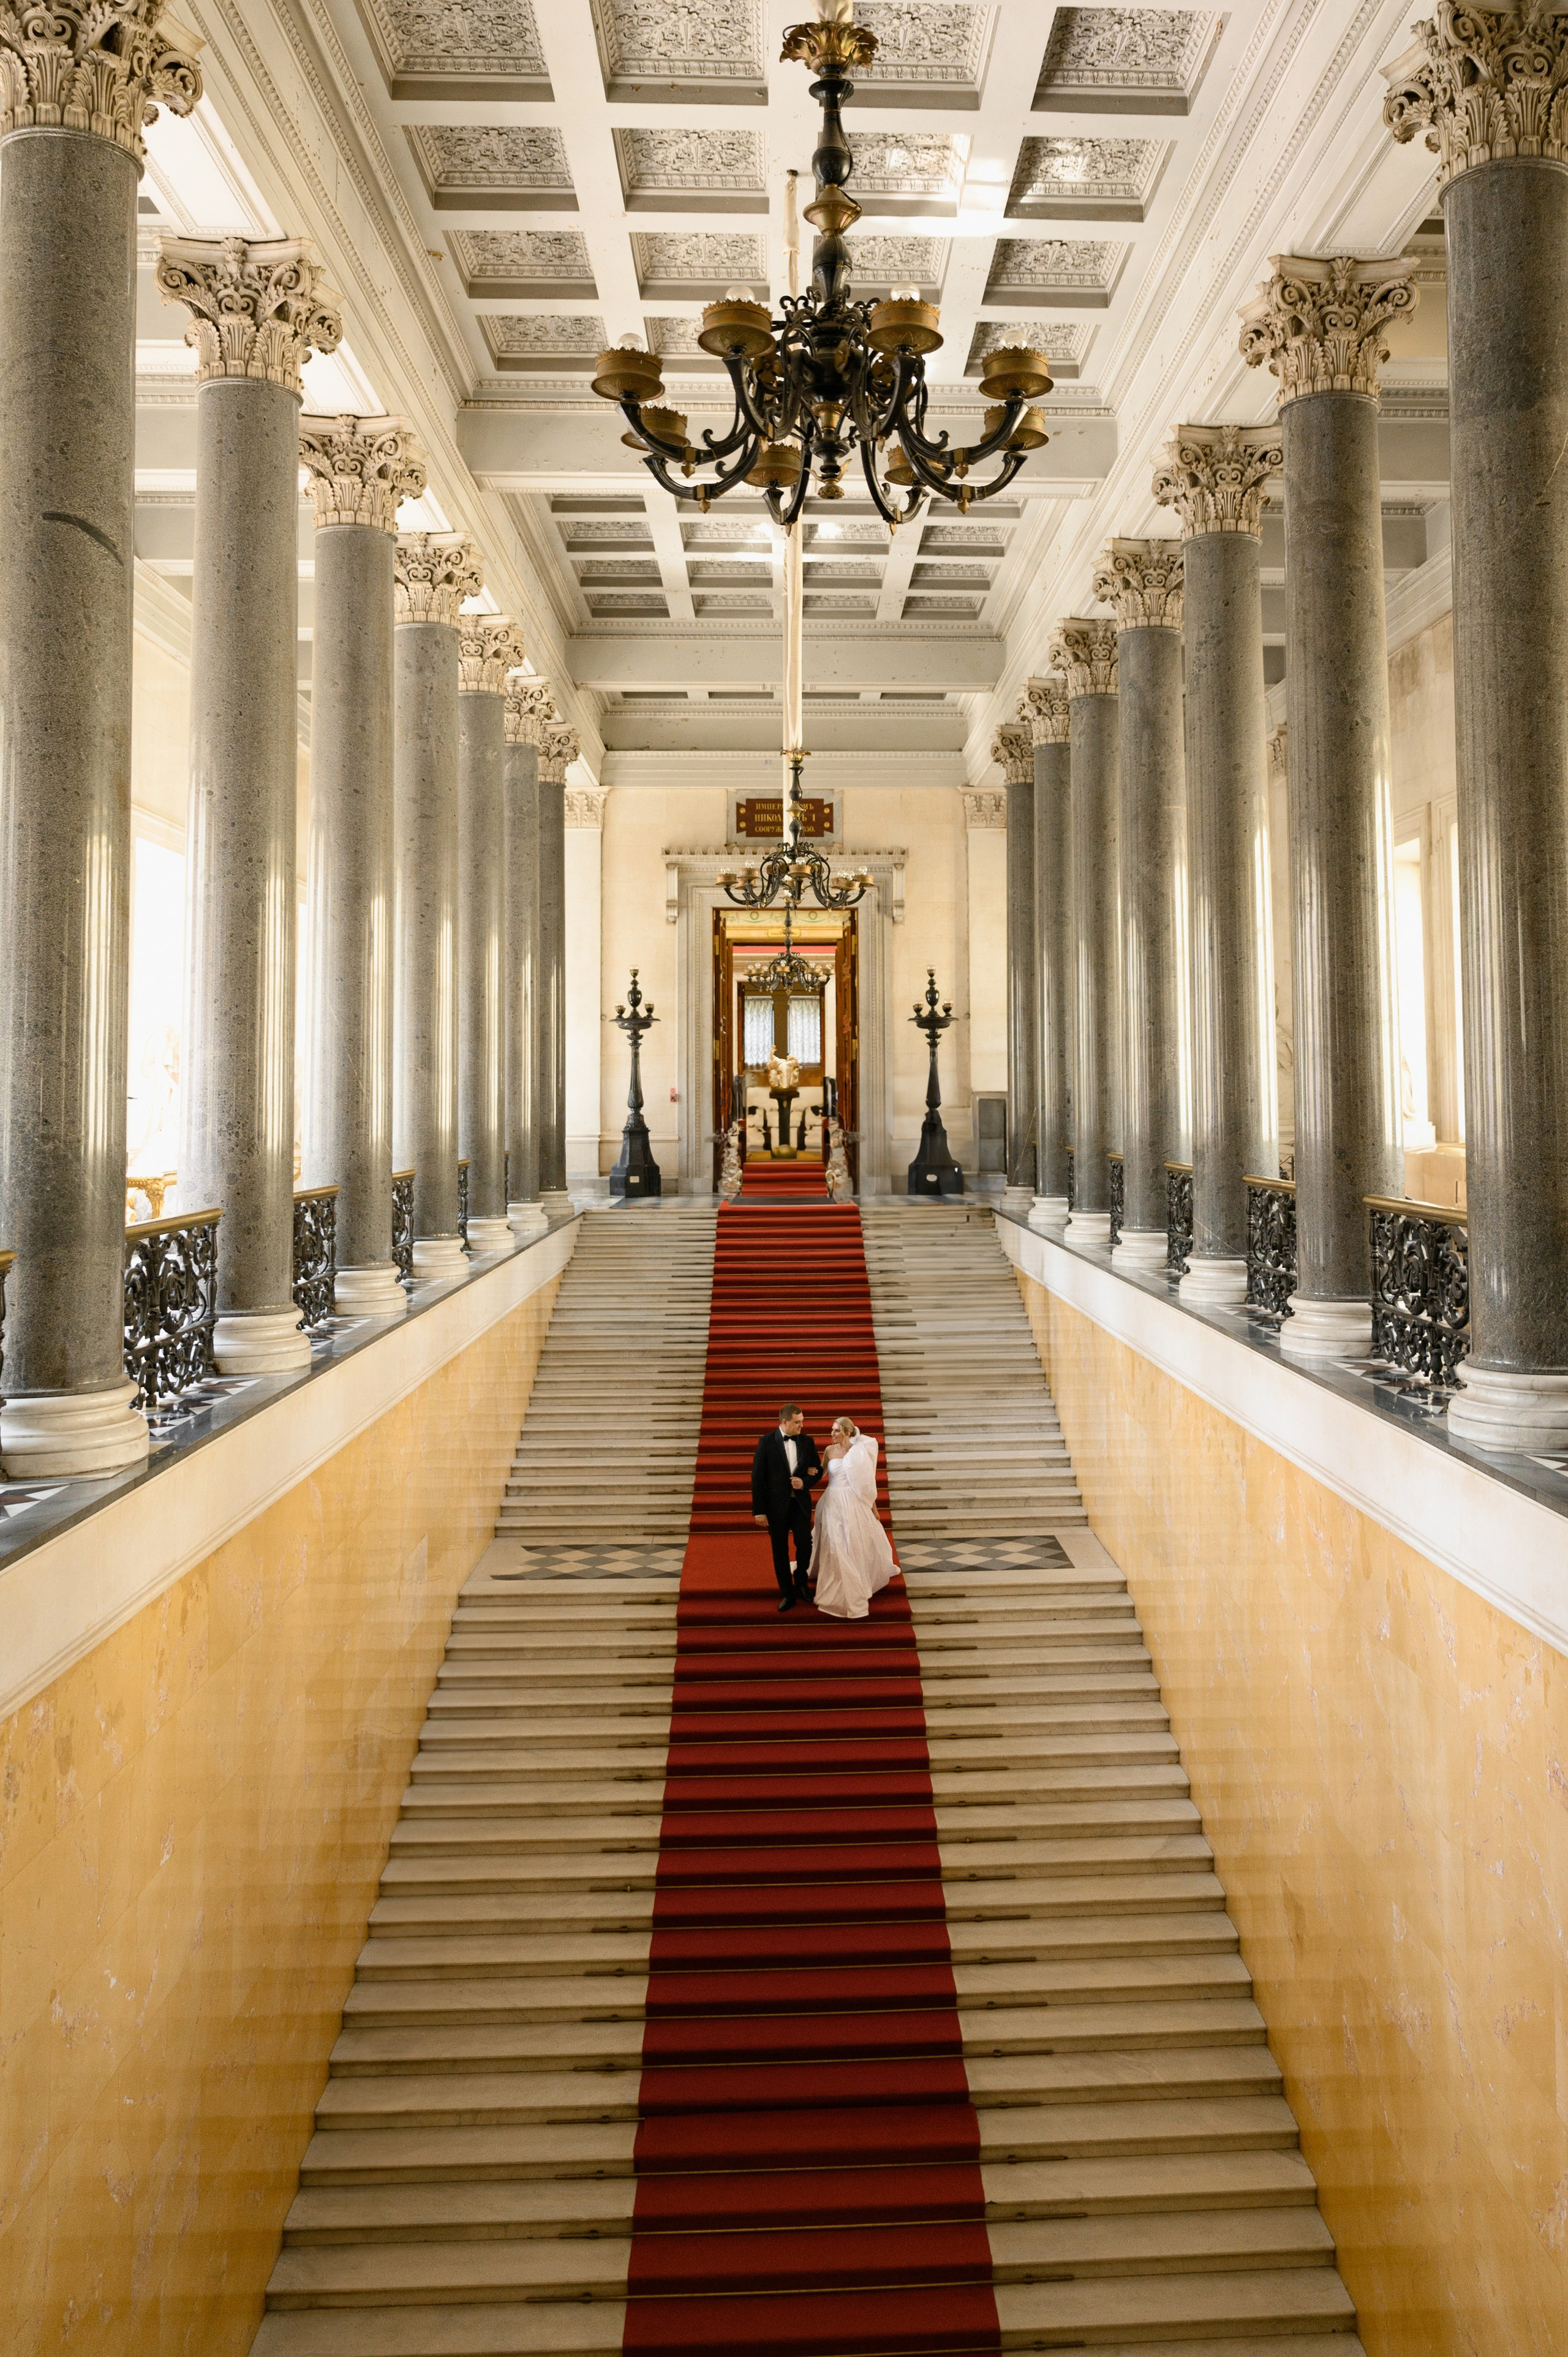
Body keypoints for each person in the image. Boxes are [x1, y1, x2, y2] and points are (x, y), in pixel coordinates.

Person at [812, 1417, 899, 1621]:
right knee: (838, 1544)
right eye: (832, 1430)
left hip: (854, 1502)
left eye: (836, 1431)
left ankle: (857, 1582)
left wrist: (873, 1508)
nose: (832, 1434)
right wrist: (806, 1474)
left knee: (854, 1542)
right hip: (832, 1501)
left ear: (848, 1433)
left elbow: (867, 1484)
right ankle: (845, 1585)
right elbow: (820, 1474)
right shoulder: (829, 1451)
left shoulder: (859, 1452)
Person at [751, 1402, 823, 1612]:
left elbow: (817, 1470)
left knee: (805, 1544)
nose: (802, 1425)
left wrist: (805, 1483)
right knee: (779, 1551)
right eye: (797, 1422)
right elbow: (758, 1478)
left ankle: (801, 1582)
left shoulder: (807, 1441)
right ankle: (787, 1593)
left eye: (802, 1421)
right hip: (775, 1507)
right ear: (784, 1422)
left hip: (799, 1504)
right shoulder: (766, 1442)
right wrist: (760, 1511)